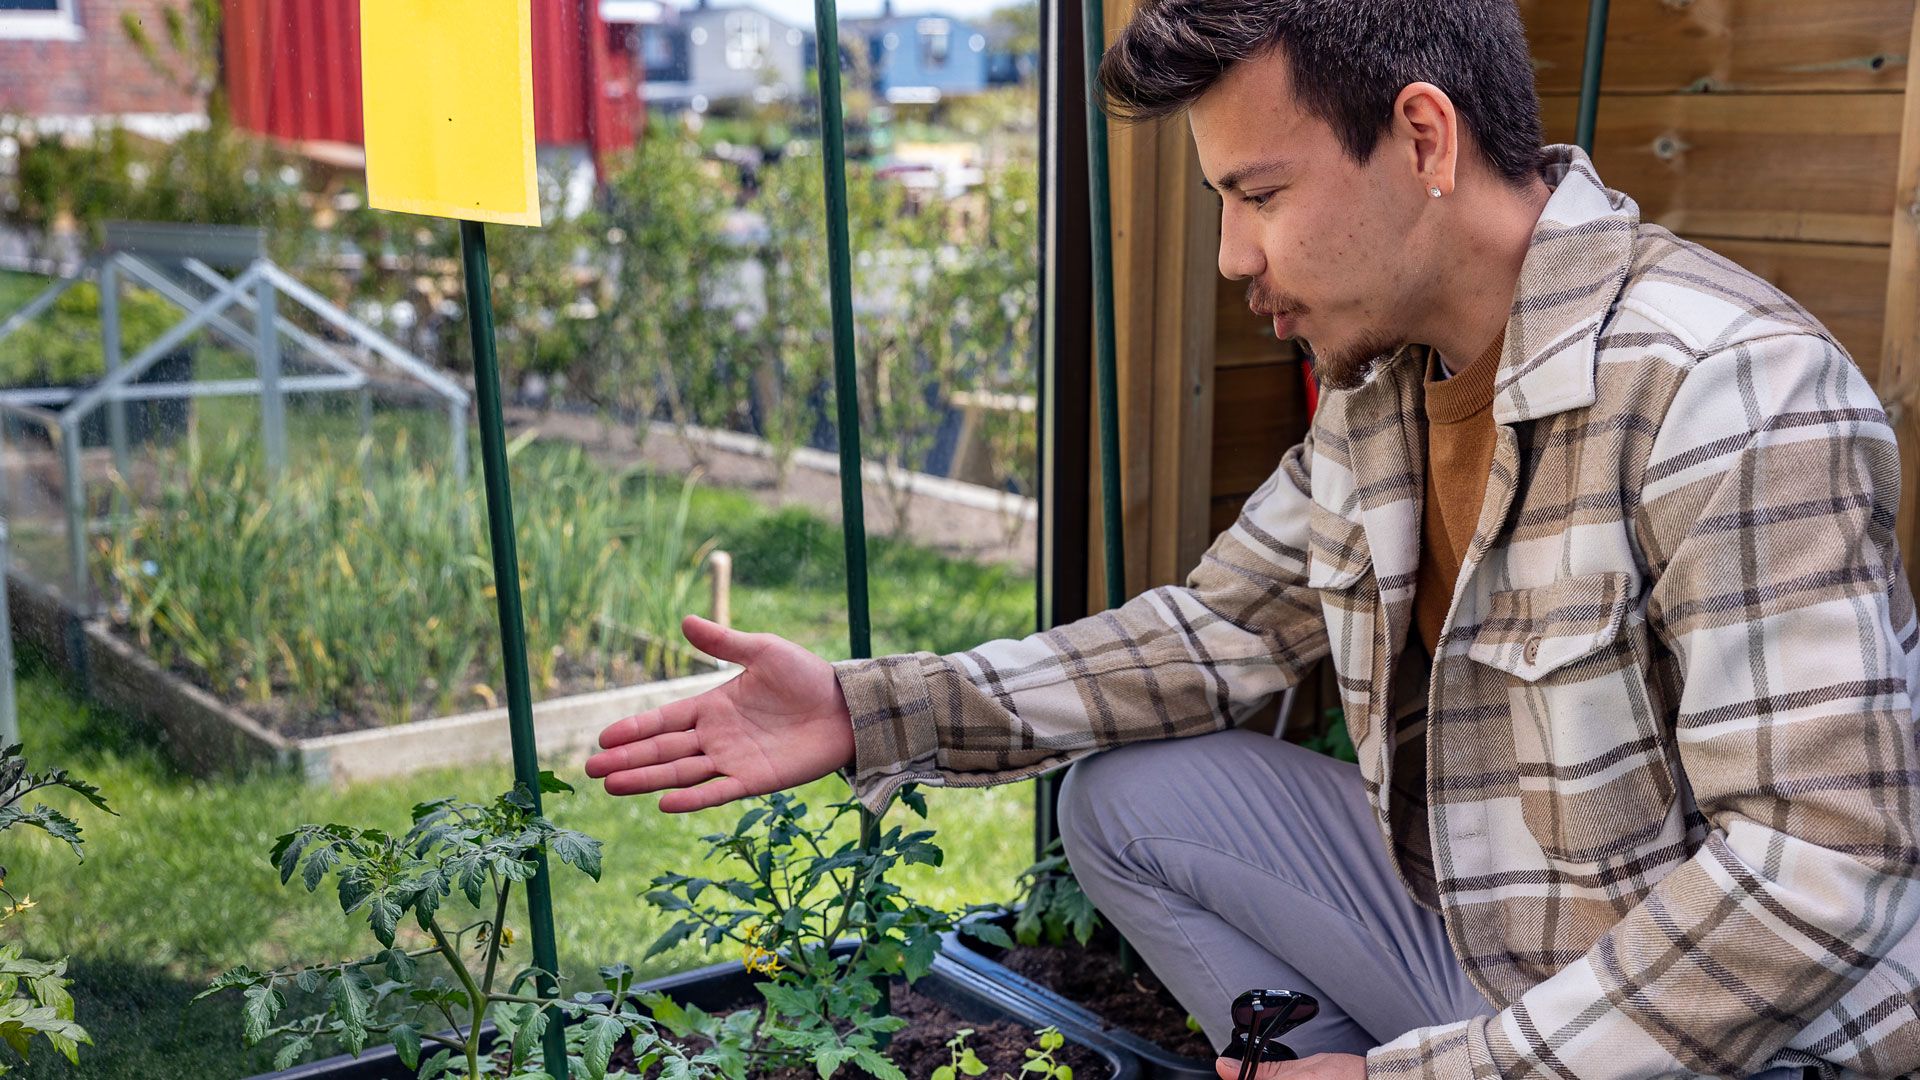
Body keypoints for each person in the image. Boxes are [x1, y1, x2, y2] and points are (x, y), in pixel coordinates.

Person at [586, 1, 1920, 1077]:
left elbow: (1818, 870)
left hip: (1727, 1039)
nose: (1232, 255)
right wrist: (872, 709)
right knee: (1126, 803)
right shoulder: (1386, 390)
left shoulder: (1727, 391)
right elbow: (1211, 634)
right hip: (1496, 962)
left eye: (1260, 193)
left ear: (1423, 138)